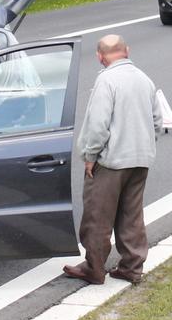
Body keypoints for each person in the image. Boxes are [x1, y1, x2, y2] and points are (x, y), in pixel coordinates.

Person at [63, 34, 163, 285]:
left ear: (100, 56)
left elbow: (98, 125)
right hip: (140, 159)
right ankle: (132, 267)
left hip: (111, 161)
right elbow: (157, 121)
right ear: (126, 51)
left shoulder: (106, 80)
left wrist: (90, 156)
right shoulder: (144, 79)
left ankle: (94, 268)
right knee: (132, 215)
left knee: (98, 215)